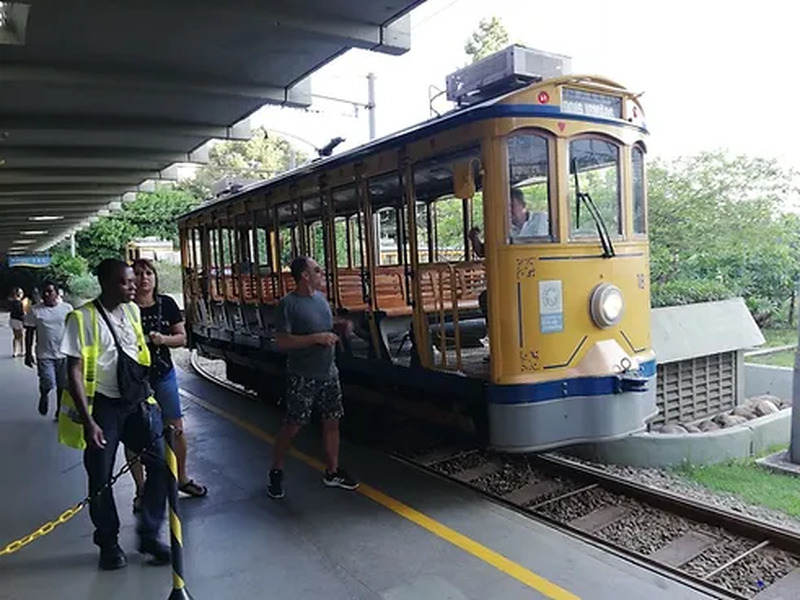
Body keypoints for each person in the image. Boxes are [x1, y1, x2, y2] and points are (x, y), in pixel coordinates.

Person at [60, 258, 170, 570]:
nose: (133, 286)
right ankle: (108, 542)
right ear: (106, 283)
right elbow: (75, 372)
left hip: (134, 402)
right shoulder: (80, 319)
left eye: (134, 280)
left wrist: (149, 399)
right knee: (101, 476)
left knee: (161, 465)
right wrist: (90, 420)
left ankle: (149, 533)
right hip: (103, 407)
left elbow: (138, 354)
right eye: (125, 282)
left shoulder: (133, 311)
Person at [268, 256, 358, 499]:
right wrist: (317, 338)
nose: (322, 274)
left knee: (332, 421)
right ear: (305, 276)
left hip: (329, 372)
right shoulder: (288, 304)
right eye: (317, 270)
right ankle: (276, 470)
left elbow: (324, 327)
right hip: (302, 376)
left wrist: (339, 327)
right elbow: (283, 341)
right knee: (293, 425)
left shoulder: (321, 300)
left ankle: (332, 471)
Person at [126, 258, 206, 513]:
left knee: (176, 427)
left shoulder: (167, 304)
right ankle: (140, 490)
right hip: (135, 379)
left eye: (148, 273)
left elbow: (182, 338)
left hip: (163, 374)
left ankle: (181, 477)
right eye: (138, 274)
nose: (144, 278)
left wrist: (163, 339)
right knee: (134, 433)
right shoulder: (125, 309)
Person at [24, 282, 73, 418]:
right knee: (48, 381)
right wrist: (28, 353)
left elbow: (73, 330)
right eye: (44, 292)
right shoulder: (35, 310)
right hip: (44, 354)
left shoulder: (67, 309)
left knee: (62, 385)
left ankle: (59, 409)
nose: (46, 294)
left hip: (63, 353)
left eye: (50, 292)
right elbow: (29, 332)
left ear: (57, 294)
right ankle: (44, 394)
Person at [467, 187, 548, 259]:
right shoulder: (502, 227)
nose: (508, 210)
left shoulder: (541, 219)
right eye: (505, 207)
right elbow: (485, 252)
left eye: (512, 206)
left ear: (524, 205)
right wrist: (475, 238)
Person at [8, 288, 26, 357]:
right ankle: (22, 351)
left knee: (16, 336)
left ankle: (15, 351)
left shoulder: (12, 302)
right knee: (21, 336)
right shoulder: (21, 303)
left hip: (13, 319)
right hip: (19, 320)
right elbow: (22, 312)